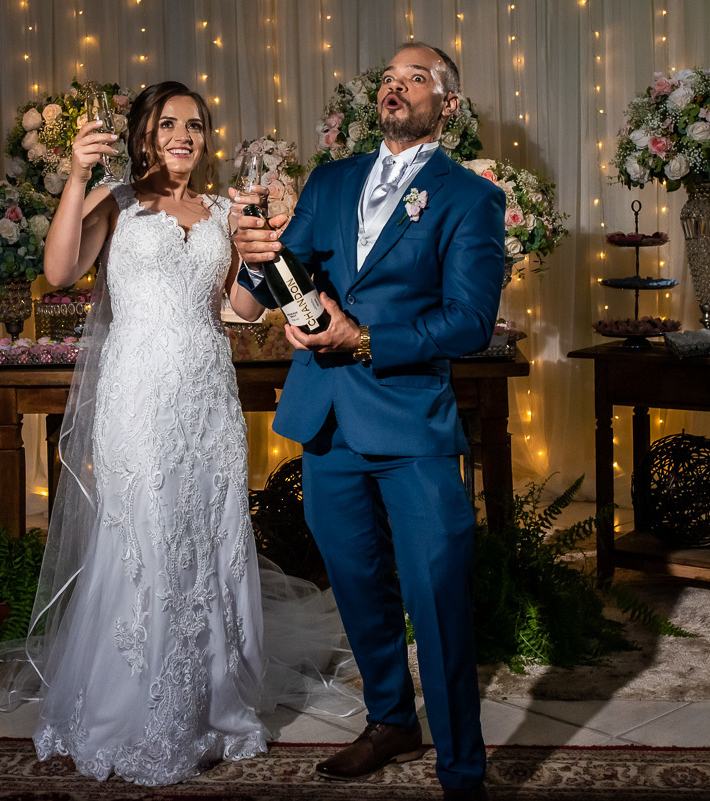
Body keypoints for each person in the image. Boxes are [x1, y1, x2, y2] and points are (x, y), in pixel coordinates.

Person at [0, 81, 278, 785]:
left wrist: (261, 254)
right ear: (143, 133)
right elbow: (58, 272)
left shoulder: (219, 210)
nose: (185, 135)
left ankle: (213, 705)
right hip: (138, 396)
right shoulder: (115, 202)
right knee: (146, 535)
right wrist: (79, 174)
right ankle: (139, 709)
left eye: (197, 125)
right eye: (170, 123)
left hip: (207, 394)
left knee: (212, 535)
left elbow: (237, 311)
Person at [232, 43, 506, 801]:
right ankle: (389, 718)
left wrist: (369, 339)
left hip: (411, 423)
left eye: (414, 79)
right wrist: (260, 260)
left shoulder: (469, 197)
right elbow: (290, 272)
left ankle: (461, 771)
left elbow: (470, 321)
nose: (395, 87)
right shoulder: (332, 178)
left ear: (446, 105)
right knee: (355, 585)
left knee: (437, 596)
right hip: (326, 421)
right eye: (388, 78)